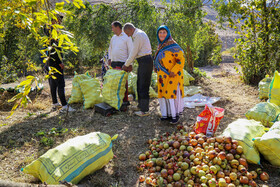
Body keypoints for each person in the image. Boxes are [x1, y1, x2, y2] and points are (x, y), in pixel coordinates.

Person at [154, 25, 185, 124]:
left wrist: (174, 70)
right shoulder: (160, 46)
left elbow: (181, 59)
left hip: (172, 75)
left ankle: (174, 116)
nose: (162, 34)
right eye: (160, 32)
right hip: (162, 76)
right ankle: (165, 114)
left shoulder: (174, 46)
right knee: (163, 94)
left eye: (164, 32)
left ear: (168, 34)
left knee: (171, 94)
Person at [44, 15, 75, 112]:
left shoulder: (47, 31)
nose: (60, 23)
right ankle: (64, 106)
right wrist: (60, 62)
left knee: (53, 83)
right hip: (55, 63)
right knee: (61, 83)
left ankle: (55, 103)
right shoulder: (53, 33)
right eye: (59, 21)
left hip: (48, 63)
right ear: (54, 20)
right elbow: (55, 49)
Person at [122, 23, 153, 117]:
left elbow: (133, 52)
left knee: (143, 85)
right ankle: (141, 106)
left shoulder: (138, 35)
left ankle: (145, 110)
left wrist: (126, 64)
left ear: (130, 29)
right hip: (143, 61)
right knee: (139, 84)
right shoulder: (138, 34)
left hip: (145, 61)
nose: (127, 35)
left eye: (127, 33)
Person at [108, 21, 133, 106]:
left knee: (123, 83)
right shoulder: (113, 38)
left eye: (112, 28)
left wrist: (130, 64)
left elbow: (131, 50)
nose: (112, 30)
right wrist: (109, 58)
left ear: (117, 27)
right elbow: (110, 49)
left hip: (123, 64)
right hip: (114, 63)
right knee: (115, 82)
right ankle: (116, 101)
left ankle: (125, 101)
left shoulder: (127, 37)